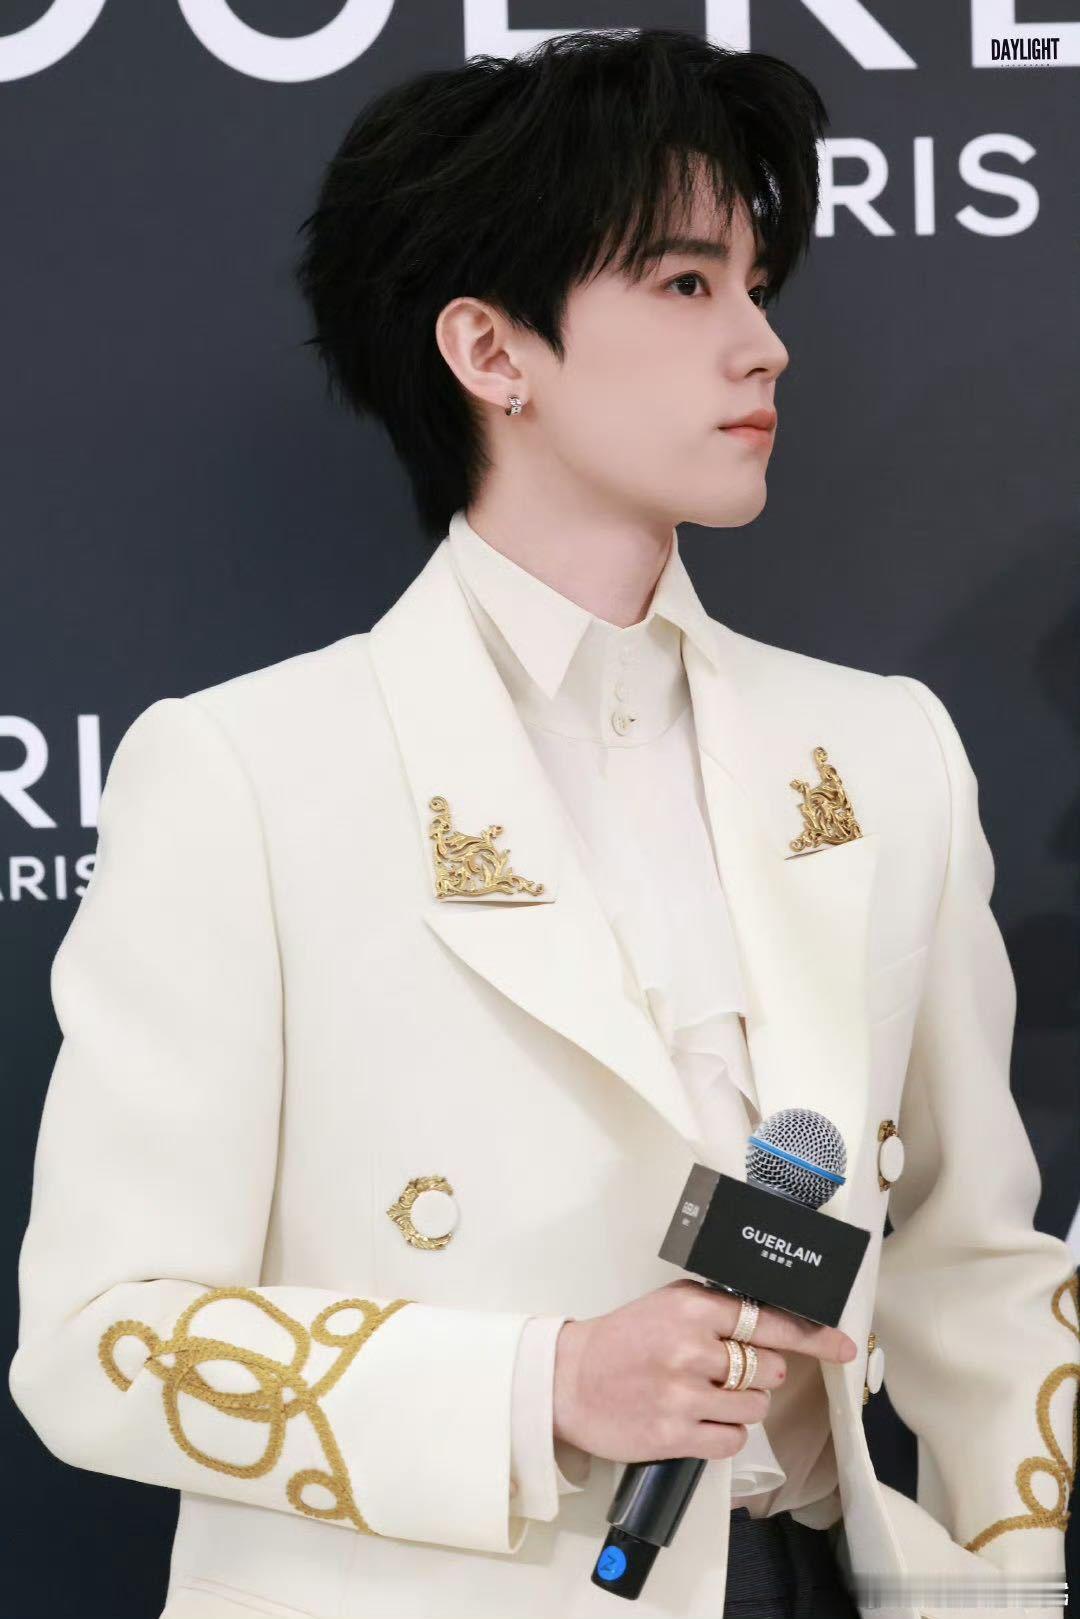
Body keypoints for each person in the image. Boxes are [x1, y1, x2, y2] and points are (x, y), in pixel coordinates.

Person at [9, 26, 1076, 1619]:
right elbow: (98, 1338)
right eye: (686, 283)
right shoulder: (246, 772)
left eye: (758, 285)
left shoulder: (882, 750)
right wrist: (547, 1383)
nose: (764, 345)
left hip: (808, 1575)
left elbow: (978, 1268)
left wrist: (1003, 1591)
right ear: (492, 351)